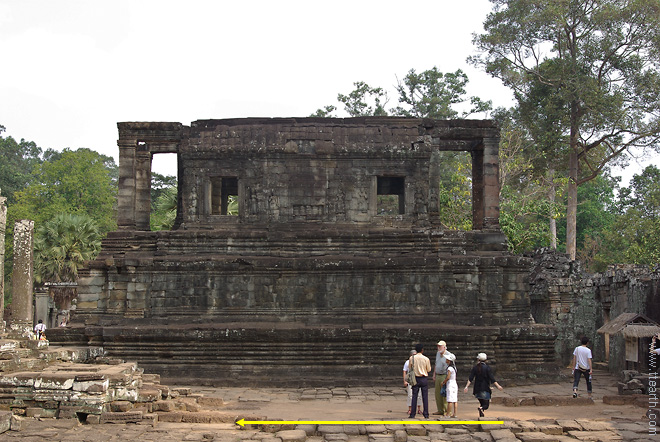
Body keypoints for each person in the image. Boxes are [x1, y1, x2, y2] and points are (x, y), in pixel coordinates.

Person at [464, 353, 503, 417]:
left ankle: (481, 414)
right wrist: (498, 386)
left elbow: (470, 378)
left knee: (482, 403)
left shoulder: (475, 368)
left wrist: (466, 386)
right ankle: (481, 409)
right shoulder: (487, 368)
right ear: (486, 360)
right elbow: (492, 378)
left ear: (478, 359)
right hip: (485, 388)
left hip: (477, 389)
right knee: (486, 405)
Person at [409, 343, 432, 419]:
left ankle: (412, 414)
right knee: (425, 396)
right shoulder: (426, 359)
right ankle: (426, 413)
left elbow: (410, 368)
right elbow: (429, 369)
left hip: (415, 378)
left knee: (414, 396)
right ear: (422, 350)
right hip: (423, 377)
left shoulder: (412, 358)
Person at [432, 340, 452, 415]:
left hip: (445, 375)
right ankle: (440, 409)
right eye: (438, 346)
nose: (438, 347)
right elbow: (436, 364)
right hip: (438, 374)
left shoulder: (449, 355)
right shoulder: (438, 354)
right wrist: (434, 374)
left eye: (440, 346)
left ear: (444, 347)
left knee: (445, 393)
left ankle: (447, 411)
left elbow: (451, 367)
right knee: (438, 394)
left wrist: (447, 378)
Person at [403, 350, 422, 416]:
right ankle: (410, 409)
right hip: (411, 380)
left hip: (418, 378)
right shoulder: (407, 362)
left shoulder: (419, 361)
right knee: (410, 395)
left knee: (419, 395)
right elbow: (404, 371)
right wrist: (405, 380)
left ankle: (419, 409)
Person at [442, 353, 458, 417]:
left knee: (450, 400)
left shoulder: (449, 368)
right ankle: (455, 414)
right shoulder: (454, 368)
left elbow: (448, 377)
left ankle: (448, 414)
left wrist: (444, 382)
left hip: (450, 384)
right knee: (455, 400)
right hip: (454, 383)